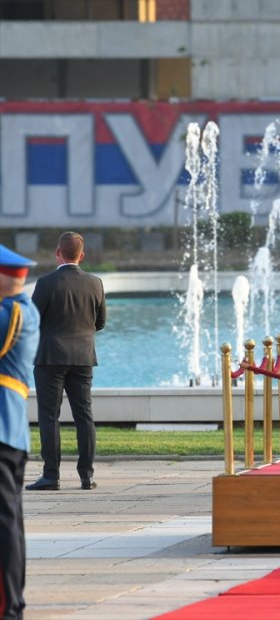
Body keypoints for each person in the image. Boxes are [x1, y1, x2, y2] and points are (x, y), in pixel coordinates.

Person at [28, 232, 106, 491]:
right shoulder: (95, 283)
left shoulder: (46, 283)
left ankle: (51, 476)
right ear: (82, 255)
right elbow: (100, 323)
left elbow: (32, 321)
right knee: (84, 415)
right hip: (83, 357)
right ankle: (87, 476)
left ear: (57, 252)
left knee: (49, 416)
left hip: (50, 358)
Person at [0, 245, 40, 620]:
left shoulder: (9, 312)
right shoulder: (23, 310)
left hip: (1, 429)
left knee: (6, 521)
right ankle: (12, 603)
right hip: (9, 428)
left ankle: (9, 606)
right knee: (10, 519)